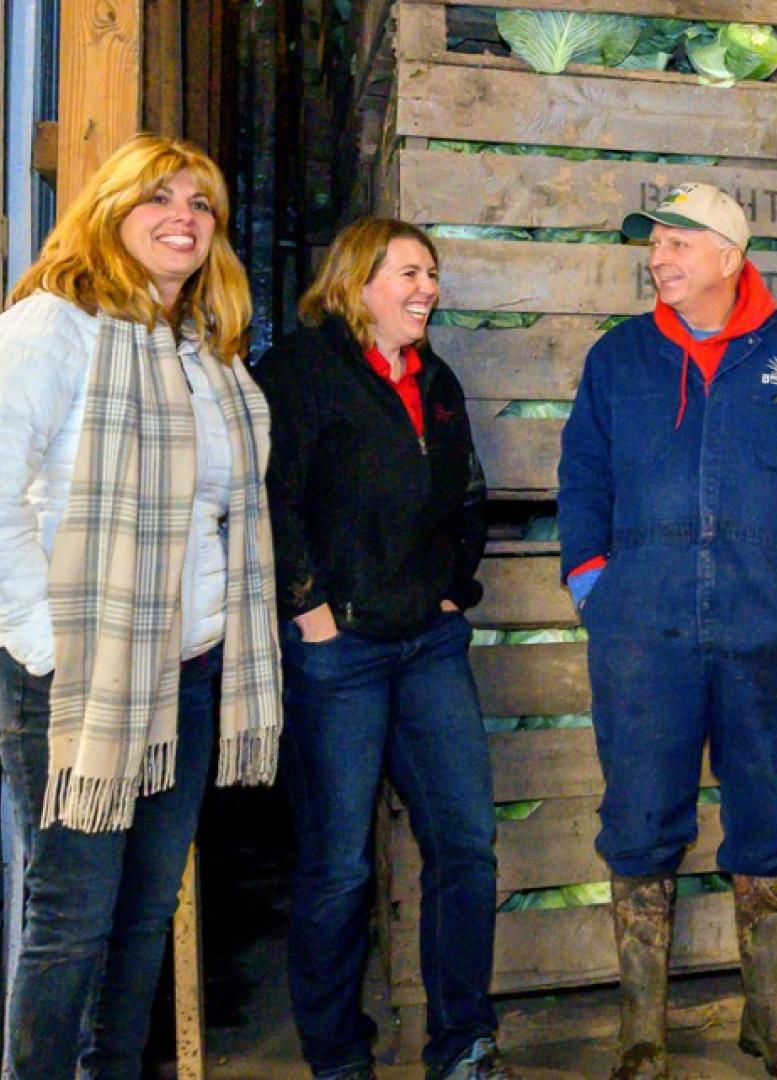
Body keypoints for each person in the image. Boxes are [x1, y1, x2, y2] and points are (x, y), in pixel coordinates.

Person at [0, 133, 284, 1078]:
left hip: (189, 667)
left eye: (202, 204)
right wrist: (55, 651)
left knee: (144, 914)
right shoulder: (49, 330)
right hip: (78, 675)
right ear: (109, 211)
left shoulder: (198, 352)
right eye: (159, 197)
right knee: (71, 919)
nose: (184, 217)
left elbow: (217, 516)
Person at [557, 183, 777, 1080]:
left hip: (768, 630)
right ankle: (642, 1026)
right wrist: (592, 583)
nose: (658, 258)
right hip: (641, 632)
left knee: (770, 814)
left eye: (677, 243)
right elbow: (580, 478)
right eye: (652, 245)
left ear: (731, 255)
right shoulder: (618, 360)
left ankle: (769, 1012)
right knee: (639, 818)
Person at [255, 218, 511, 1080]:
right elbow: (272, 500)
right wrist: (311, 611)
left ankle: (464, 1042)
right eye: (409, 271)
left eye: (432, 273)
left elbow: (468, 495)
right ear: (358, 279)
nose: (427, 288)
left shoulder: (435, 382)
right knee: (337, 866)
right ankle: (337, 1059)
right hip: (342, 653)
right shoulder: (300, 372)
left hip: (429, 642)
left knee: (466, 845)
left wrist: (453, 585)